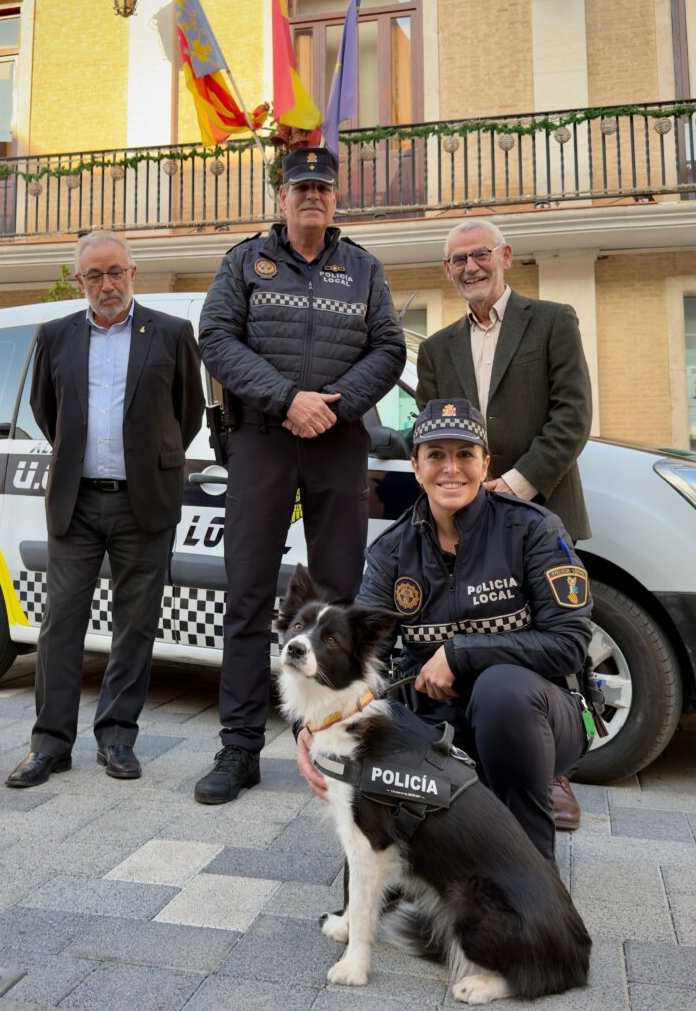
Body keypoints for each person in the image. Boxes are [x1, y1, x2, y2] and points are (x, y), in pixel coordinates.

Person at [194, 146, 406, 804]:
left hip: (338, 441)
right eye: (299, 187)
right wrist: (288, 399)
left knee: (340, 598)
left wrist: (333, 404)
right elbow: (216, 338)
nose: (311, 195)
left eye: (322, 186)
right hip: (263, 439)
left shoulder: (363, 269)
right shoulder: (244, 263)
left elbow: (390, 349)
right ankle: (238, 748)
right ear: (280, 198)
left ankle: (336, 743)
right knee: (248, 595)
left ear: (335, 199)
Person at [297, 399, 593, 867]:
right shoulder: (391, 551)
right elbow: (354, 655)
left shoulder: (533, 529)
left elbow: (570, 643)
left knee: (502, 690)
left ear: (485, 464)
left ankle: (536, 876)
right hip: (439, 724)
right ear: (415, 467)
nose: (450, 469)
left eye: (464, 454)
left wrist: (461, 653)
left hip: (539, 719)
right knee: (380, 727)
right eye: (435, 455)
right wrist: (310, 728)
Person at [6, 232, 205, 788]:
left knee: (135, 625)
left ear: (133, 271)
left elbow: (185, 416)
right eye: (94, 276)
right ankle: (50, 745)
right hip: (77, 501)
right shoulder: (56, 336)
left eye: (115, 272)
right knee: (60, 624)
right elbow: (48, 410)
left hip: (145, 502)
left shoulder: (170, 333)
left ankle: (117, 739)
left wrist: (148, 462)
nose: (107, 285)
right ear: (80, 282)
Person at [416, 218, 593, 830]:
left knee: (546, 634)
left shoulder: (553, 321)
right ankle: (475, 753)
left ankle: (551, 770)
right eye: (458, 259)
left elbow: (574, 416)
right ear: (447, 270)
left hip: (540, 509)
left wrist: (513, 486)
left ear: (506, 257)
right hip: (468, 521)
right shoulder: (436, 349)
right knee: (476, 628)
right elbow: (433, 437)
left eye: (480, 255)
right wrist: (465, 489)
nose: (470, 267)